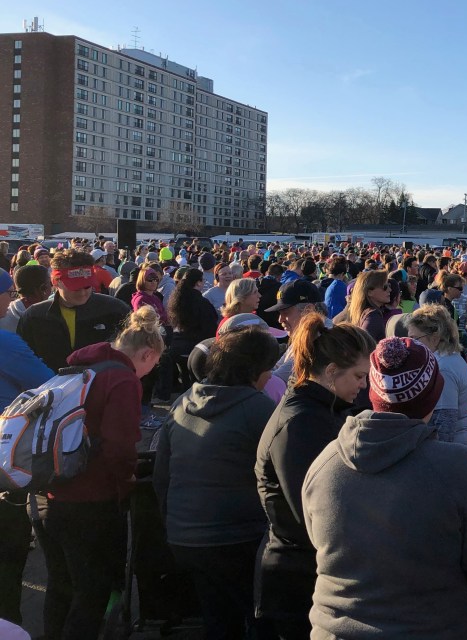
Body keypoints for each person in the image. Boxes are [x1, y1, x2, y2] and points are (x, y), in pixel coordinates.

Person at [301, 336, 467, 639]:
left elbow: (319, 545)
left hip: (332, 629)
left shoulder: (325, 464)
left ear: (373, 391)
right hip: (428, 628)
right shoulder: (457, 468)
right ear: (433, 395)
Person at [35, 306, 164, 640]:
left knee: (61, 586)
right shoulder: (121, 379)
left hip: (48, 492)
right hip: (90, 499)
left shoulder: (74, 369)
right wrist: (127, 484)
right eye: (153, 365)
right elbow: (119, 444)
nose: (149, 373)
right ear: (147, 354)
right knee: (92, 590)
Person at [153, 328, 279, 640]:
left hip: (186, 536)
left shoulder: (183, 402)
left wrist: (174, 522)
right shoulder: (258, 408)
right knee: (260, 618)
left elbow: (161, 476)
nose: (269, 377)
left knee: (218, 619)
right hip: (238, 538)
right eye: (268, 370)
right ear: (254, 370)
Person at [255, 314, 375, 639]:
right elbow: (313, 514)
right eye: (360, 376)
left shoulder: (321, 411)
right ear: (332, 371)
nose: (364, 385)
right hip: (295, 579)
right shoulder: (302, 425)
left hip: (308, 570)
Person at [0, 269, 54, 626]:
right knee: (8, 551)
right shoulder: (5, 343)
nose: (10, 299)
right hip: (4, 460)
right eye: (6, 292)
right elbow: (48, 386)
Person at [17, 249, 131, 373]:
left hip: (103, 388)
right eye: (75, 287)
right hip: (50, 388)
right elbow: (22, 363)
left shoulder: (115, 310)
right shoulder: (34, 316)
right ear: (55, 282)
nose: (83, 293)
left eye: (87, 286)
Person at [406, 304, 467, 449]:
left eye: (415, 339)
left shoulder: (443, 369)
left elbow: (445, 426)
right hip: (462, 449)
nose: (410, 345)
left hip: (454, 458)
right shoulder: (451, 358)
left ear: (435, 338)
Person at [0, 264, 51, 333]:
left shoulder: (5, 312)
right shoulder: (49, 318)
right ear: (43, 288)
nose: (52, 286)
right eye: (50, 283)